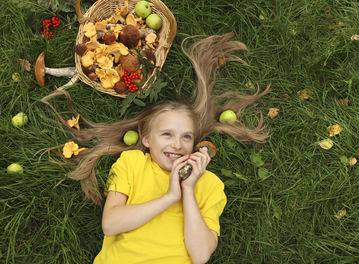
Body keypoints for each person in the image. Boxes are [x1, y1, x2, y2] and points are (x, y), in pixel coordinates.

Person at [41, 33, 271, 263]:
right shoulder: (132, 163)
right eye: (167, 134)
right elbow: (110, 224)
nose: (177, 144)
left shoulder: (210, 185)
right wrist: (170, 197)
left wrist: (187, 190)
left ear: (194, 143)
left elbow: (200, 255)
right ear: (147, 139)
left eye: (186, 137)